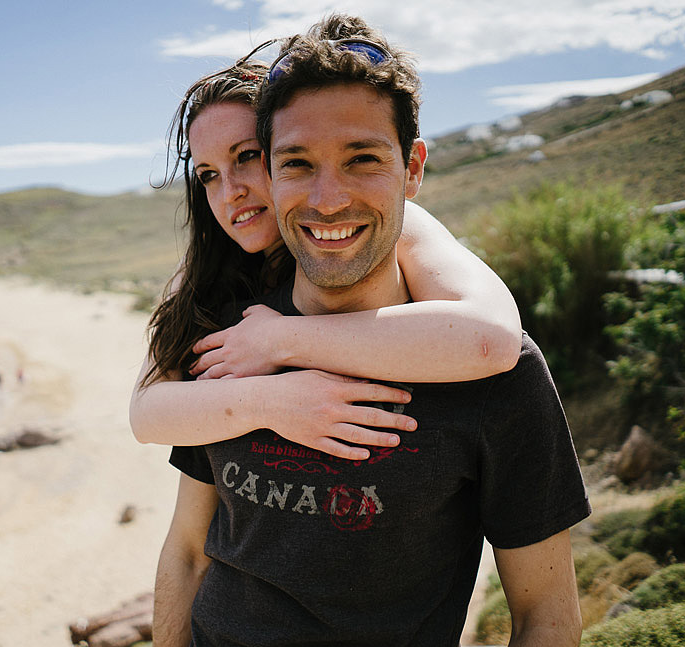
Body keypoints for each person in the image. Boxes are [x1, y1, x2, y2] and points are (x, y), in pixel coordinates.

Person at [154, 14, 590, 647]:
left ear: (412, 169)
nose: (329, 200)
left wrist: (290, 345)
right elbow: (189, 549)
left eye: (362, 158)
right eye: (298, 163)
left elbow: (547, 620)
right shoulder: (232, 337)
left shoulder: (500, 376)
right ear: (269, 177)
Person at [130, 59, 523, 460]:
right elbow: (146, 414)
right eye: (208, 174)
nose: (229, 191)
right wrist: (270, 401)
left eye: (245, 156)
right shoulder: (208, 272)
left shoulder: (390, 226)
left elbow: (492, 336)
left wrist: (275, 340)